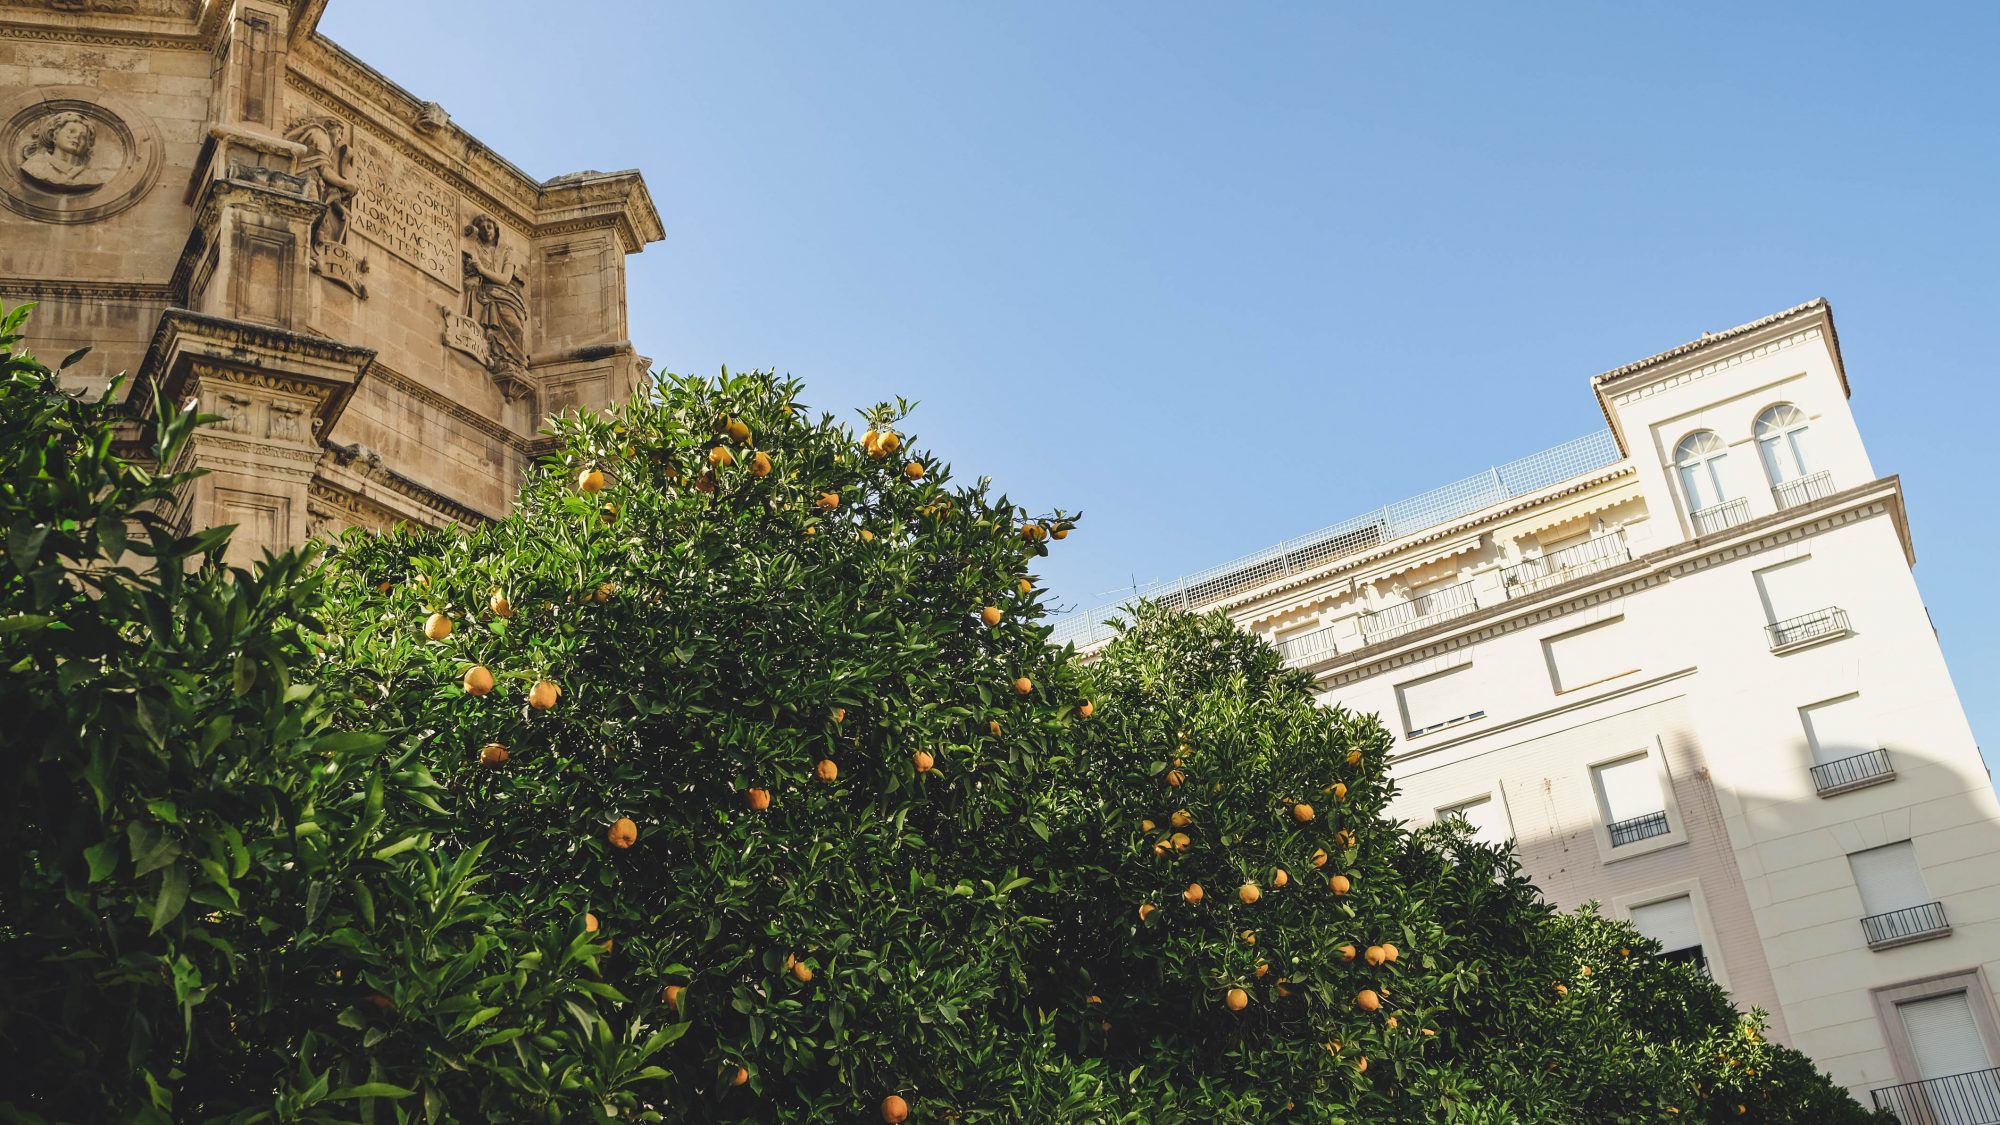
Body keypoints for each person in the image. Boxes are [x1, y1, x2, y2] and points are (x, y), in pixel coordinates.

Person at [20, 111, 110, 191]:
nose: (77, 136)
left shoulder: (91, 177)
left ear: (87, 145)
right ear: (54, 135)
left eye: (83, 136)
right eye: (71, 131)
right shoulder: (35, 165)